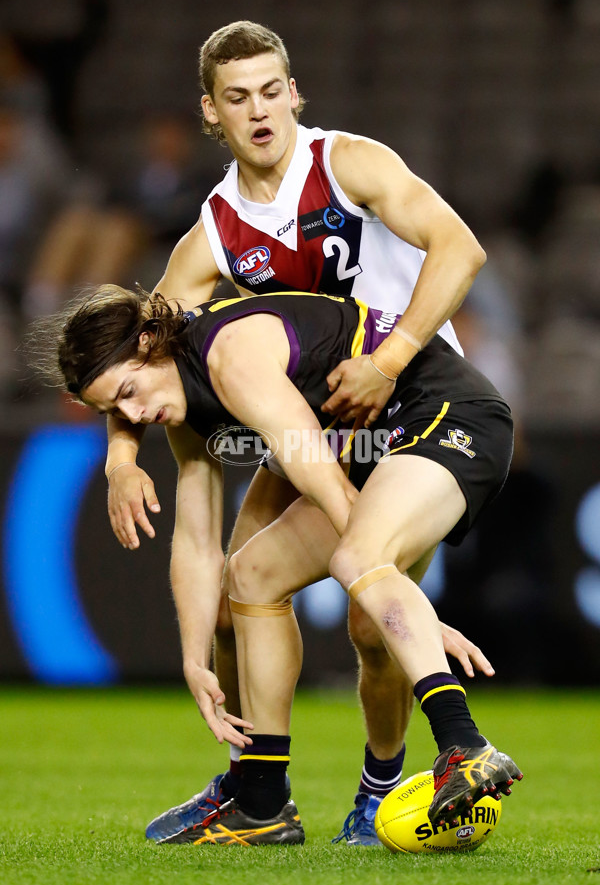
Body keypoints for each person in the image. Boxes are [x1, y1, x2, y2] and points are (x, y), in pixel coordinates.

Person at [100, 20, 504, 845]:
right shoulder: (213, 232)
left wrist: (388, 361)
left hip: (409, 403)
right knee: (229, 596)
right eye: (237, 97)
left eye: (271, 90)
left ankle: (379, 785)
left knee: (367, 621)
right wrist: (117, 456)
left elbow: (460, 250)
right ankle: (260, 789)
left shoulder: (347, 163)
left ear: (295, 92)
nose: (260, 112)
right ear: (211, 112)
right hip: (310, 429)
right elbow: (135, 347)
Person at [42, 284, 522, 846]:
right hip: (374, 445)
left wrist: (399, 597)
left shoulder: (231, 356)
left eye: (129, 391)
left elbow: (322, 481)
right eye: (114, 411)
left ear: (149, 342)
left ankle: (464, 746)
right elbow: (197, 542)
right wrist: (195, 659)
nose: (133, 414)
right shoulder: (185, 401)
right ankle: (264, 803)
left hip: (445, 415)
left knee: (359, 557)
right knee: (251, 573)